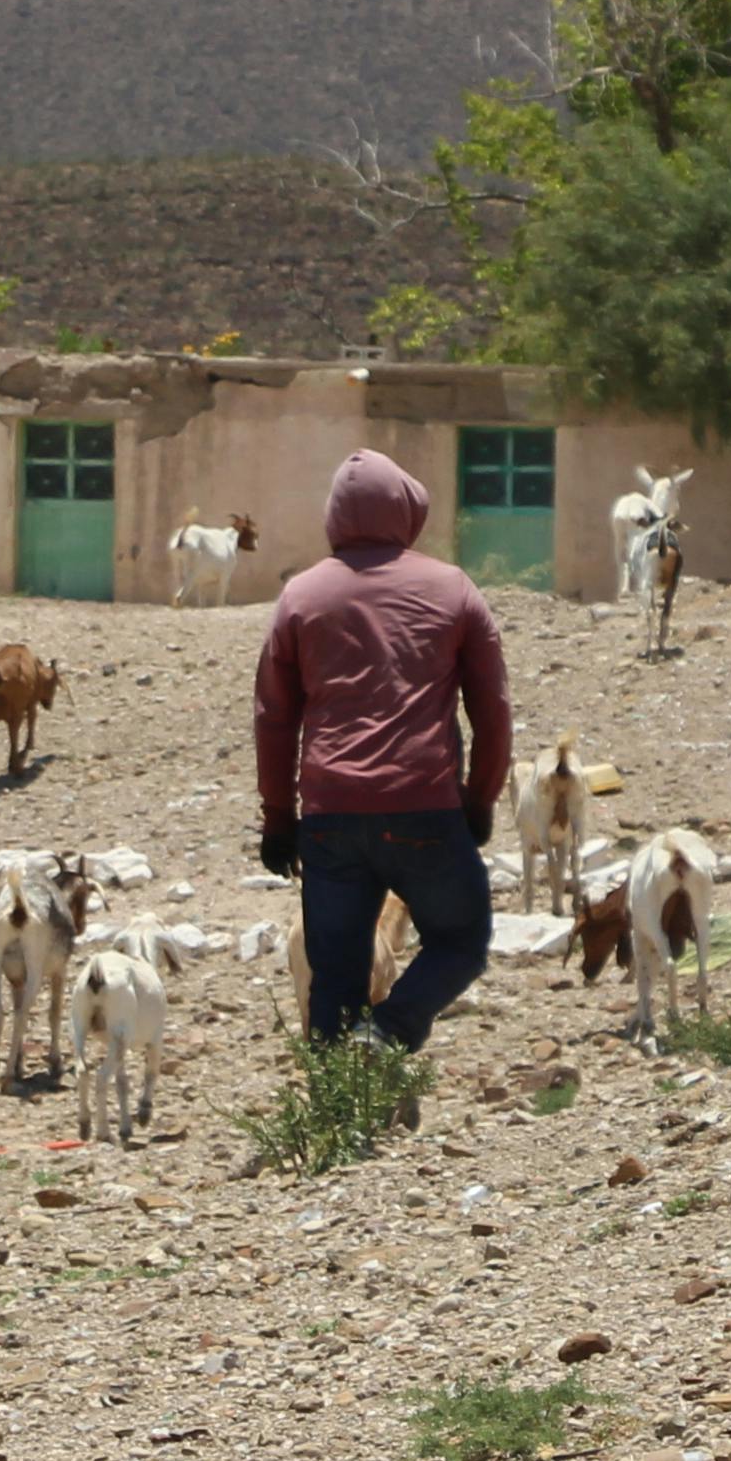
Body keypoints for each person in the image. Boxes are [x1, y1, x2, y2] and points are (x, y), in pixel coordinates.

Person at [252, 447, 511, 1048]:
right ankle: (390, 1029)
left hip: (329, 819)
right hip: (425, 809)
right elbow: (492, 712)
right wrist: (479, 802)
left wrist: (277, 820)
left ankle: (334, 1120)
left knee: (333, 983)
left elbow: (273, 717)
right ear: (405, 509)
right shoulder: (453, 589)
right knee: (460, 940)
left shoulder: (300, 596)